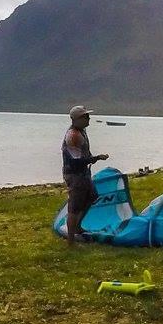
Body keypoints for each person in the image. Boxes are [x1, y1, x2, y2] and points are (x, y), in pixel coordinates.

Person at [62, 105, 109, 245]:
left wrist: (92, 159)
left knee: (92, 196)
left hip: (83, 173)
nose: (89, 119)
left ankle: (77, 226)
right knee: (74, 206)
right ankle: (70, 241)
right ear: (76, 119)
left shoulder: (82, 132)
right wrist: (96, 158)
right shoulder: (73, 136)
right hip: (75, 175)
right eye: (85, 117)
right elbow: (76, 161)